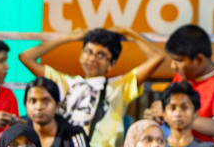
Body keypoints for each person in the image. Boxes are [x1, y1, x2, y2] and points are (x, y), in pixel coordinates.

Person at [19, 28, 164, 147]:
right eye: (88, 51)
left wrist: (129, 33)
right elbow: (26, 57)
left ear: (112, 64)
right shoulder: (63, 81)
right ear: (81, 54)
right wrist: (67, 38)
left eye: (101, 55)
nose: (92, 58)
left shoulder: (120, 85)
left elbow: (157, 57)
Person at [141, 29, 214, 145]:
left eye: (179, 61)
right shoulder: (181, 77)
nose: (173, 66)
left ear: (199, 60)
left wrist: (175, 116)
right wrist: (160, 116)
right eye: (173, 60)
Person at [0, 79, 88, 147]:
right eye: (33, 101)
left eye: (46, 101)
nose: (39, 107)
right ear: (25, 105)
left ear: (57, 105)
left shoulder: (72, 134)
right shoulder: (18, 132)